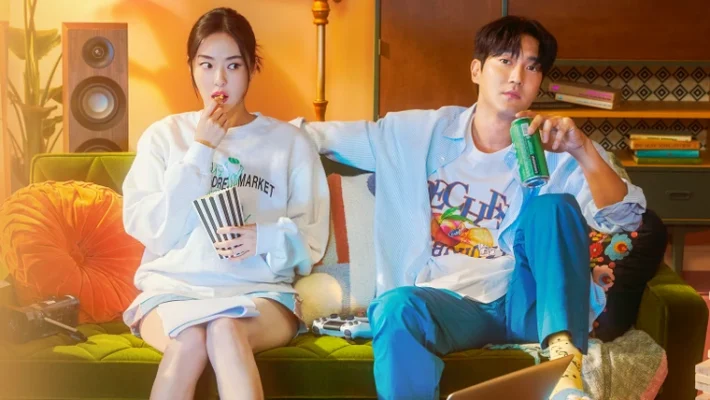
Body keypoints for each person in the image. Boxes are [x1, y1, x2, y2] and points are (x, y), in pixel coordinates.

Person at [300, 15, 645, 400]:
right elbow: (312, 136)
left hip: (527, 303)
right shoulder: (416, 134)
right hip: (449, 305)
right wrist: (252, 136)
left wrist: (583, 150)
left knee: (554, 206)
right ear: (476, 70)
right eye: (505, 61)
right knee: (394, 307)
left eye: (531, 67)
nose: (517, 76)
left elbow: (626, 217)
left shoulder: (555, 148)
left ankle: (566, 374)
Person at [121, 7, 329, 400]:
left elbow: (312, 241)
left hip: (260, 293)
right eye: (207, 65)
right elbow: (152, 230)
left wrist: (263, 238)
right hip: (173, 289)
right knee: (189, 340)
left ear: (251, 67)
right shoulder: (164, 136)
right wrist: (200, 149)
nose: (219, 79)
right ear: (191, 67)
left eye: (233, 65)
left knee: (225, 328)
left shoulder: (290, 143)